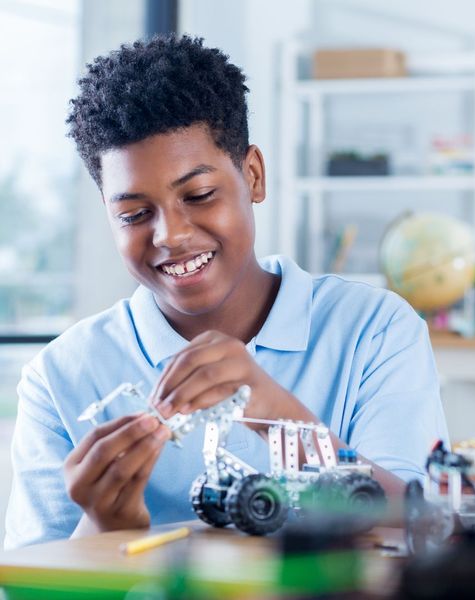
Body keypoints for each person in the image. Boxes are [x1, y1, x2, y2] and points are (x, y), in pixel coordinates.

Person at [4, 35, 448, 549]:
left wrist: (277, 413)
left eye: (199, 195)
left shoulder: (373, 330)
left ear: (253, 176)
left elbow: (418, 524)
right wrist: (104, 527)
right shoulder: (61, 377)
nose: (169, 235)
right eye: (134, 215)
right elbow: (30, 583)